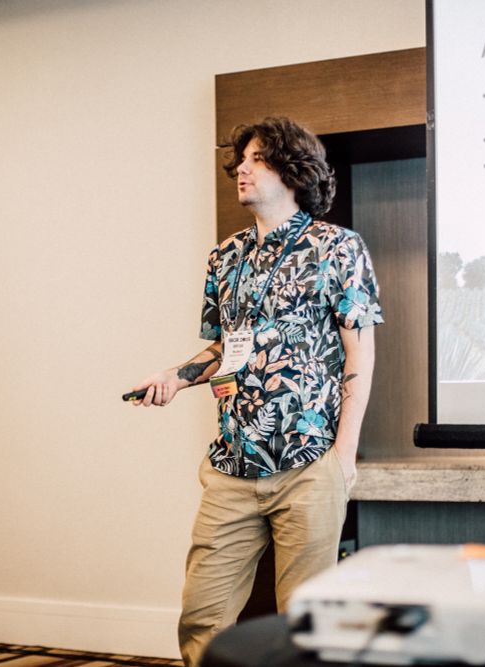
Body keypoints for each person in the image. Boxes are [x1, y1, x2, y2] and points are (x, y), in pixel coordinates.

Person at [130, 116, 383, 666]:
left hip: (309, 463)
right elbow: (224, 349)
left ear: (293, 170)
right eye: (240, 160)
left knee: (306, 623)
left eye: (258, 159)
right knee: (203, 613)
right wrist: (174, 378)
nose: (242, 169)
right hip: (231, 466)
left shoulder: (337, 247)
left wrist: (343, 456)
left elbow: (359, 356)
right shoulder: (225, 257)